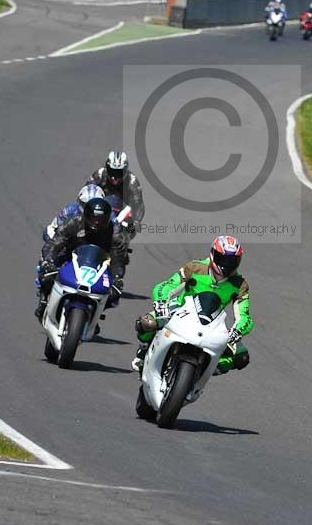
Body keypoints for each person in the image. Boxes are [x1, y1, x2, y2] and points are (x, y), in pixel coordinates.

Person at [131, 235, 253, 374]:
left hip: (212, 323)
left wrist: (237, 331)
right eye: (223, 258)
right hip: (181, 309)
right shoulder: (195, 267)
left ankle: (200, 373)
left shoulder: (240, 285)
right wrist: (161, 302)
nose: (227, 264)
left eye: (232, 261)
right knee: (147, 323)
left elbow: (244, 316)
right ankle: (144, 349)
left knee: (241, 357)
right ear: (213, 254)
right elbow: (166, 285)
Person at [35, 197, 131, 320]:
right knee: (47, 273)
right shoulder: (74, 223)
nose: (96, 223)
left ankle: (94, 316)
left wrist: (117, 277)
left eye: (101, 220)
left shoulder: (115, 233)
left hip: (98, 266)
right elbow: (55, 243)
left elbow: (118, 260)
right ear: (86, 215)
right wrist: (49, 260)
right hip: (69, 258)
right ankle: (44, 300)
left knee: (114, 295)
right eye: (93, 218)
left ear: (108, 219)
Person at [87, 150, 144, 227]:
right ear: (107, 169)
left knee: (129, 230)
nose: (114, 177)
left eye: (119, 173)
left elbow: (137, 204)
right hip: (98, 210)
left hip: (121, 216)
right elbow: (86, 191)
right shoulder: (100, 174)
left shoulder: (132, 182)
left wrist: (135, 221)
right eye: (112, 172)